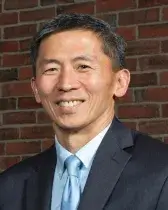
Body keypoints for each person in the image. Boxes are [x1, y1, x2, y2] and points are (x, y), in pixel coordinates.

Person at [0, 13, 168, 210]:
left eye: (83, 66)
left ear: (120, 82)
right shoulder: (10, 186)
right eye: (51, 69)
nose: (66, 84)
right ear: (36, 88)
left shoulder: (161, 171)